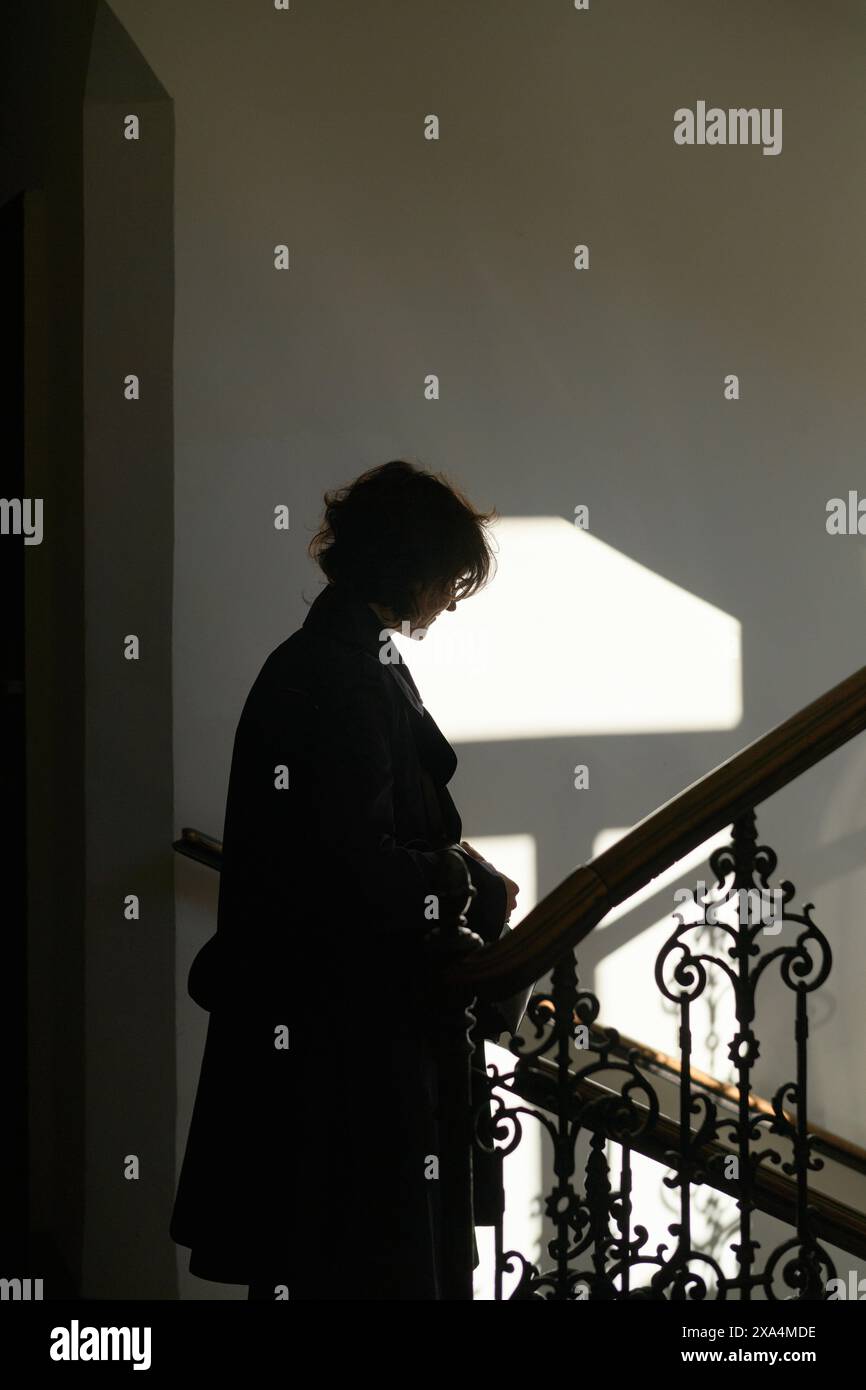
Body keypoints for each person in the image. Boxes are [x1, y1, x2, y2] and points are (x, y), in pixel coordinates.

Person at [169, 458, 522, 1300]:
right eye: (450, 576)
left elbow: (355, 837)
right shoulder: (339, 675)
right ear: (414, 565)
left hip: (345, 1036)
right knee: (366, 1262)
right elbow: (354, 866)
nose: (452, 596)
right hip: (350, 1047)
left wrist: (454, 872)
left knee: (344, 1260)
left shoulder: (339, 660)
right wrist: (456, 877)